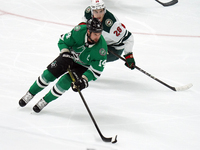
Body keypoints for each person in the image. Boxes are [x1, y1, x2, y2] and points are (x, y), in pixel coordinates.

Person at [19, 18, 107, 113]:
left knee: (64, 82)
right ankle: (30, 94)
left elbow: (96, 71)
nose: (97, 37)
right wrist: (65, 52)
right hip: (69, 57)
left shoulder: (101, 49)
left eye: (99, 34)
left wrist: (84, 80)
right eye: (95, 34)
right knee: (48, 75)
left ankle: (44, 101)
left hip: (82, 67)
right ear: (88, 31)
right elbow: (62, 41)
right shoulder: (78, 31)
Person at [79, 0, 135, 70]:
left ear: (104, 10)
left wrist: (128, 55)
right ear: (92, 11)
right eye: (96, 11)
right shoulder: (88, 12)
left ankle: (83, 71)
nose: (99, 14)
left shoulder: (112, 25)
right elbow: (84, 21)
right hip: (101, 41)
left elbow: (129, 37)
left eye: (101, 11)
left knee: (91, 56)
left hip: (114, 48)